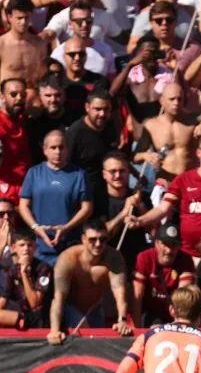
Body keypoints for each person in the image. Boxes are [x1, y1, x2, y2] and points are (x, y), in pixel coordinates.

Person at [128, 134, 201, 260]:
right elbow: (162, 209)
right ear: (198, 153)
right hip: (187, 254)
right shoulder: (183, 179)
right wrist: (140, 220)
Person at [47, 218, 132, 345]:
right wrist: (54, 330)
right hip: (71, 307)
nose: (98, 244)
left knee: (99, 343)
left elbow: (120, 292)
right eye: (92, 240)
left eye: (103, 239)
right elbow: (58, 298)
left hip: (95, 308)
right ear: (83, 239)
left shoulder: (113, 258)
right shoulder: (68, 259)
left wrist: (122, 320)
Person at [18, 130, 93, 266]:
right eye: (53, 148)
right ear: (45, 150)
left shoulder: (78, 174)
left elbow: (87, 208)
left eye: (61, 147)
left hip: (70, 247)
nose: (58, 151)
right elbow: (23, 205)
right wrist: (36, 228)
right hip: (39, 248)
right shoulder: (34, 173)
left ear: (67, 149)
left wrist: (66, 228)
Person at [132, 223, 197, 327]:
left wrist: (180, 326)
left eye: (173, 245)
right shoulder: (145, 258)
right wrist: (137, 329)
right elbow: (137, 296)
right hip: (149, 313)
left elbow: (183, 297)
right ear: (156, 243)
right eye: (165, 244)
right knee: (156, 327)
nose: (169, 250)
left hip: (175, 313)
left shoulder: (186, 260)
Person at [0, 229, 51, 329]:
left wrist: (24, 273)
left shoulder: (43, 268)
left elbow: (34, 303)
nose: (26, 249)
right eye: (22, 245)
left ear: (35, 248)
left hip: (38, 317)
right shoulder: (13, 270)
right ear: (14, 248)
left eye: (30, 245)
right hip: (20, 314)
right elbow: (3, 299)